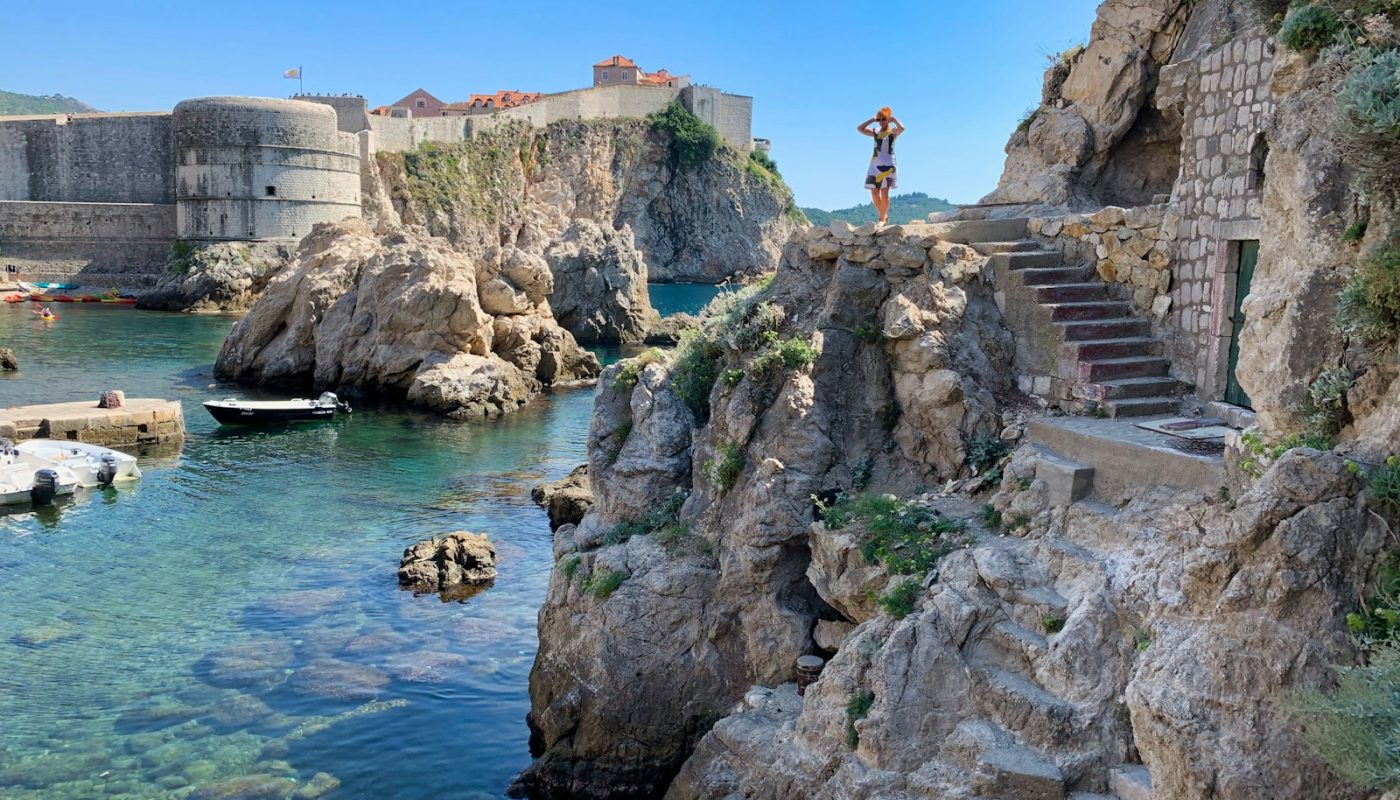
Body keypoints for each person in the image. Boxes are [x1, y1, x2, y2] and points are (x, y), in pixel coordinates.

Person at [857, 107, 904, 224]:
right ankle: (884, 214)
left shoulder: (893, 132)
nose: (881, 121)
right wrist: (872, 120)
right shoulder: (875, 132)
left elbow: (902, 128)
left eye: (884, 119)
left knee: (884, 192)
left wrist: (894, 120)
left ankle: (881, 219)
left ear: (888, 119)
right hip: (874, 165)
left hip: (889, 166)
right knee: (874, 192)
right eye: (879, 119)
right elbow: (860, 129)